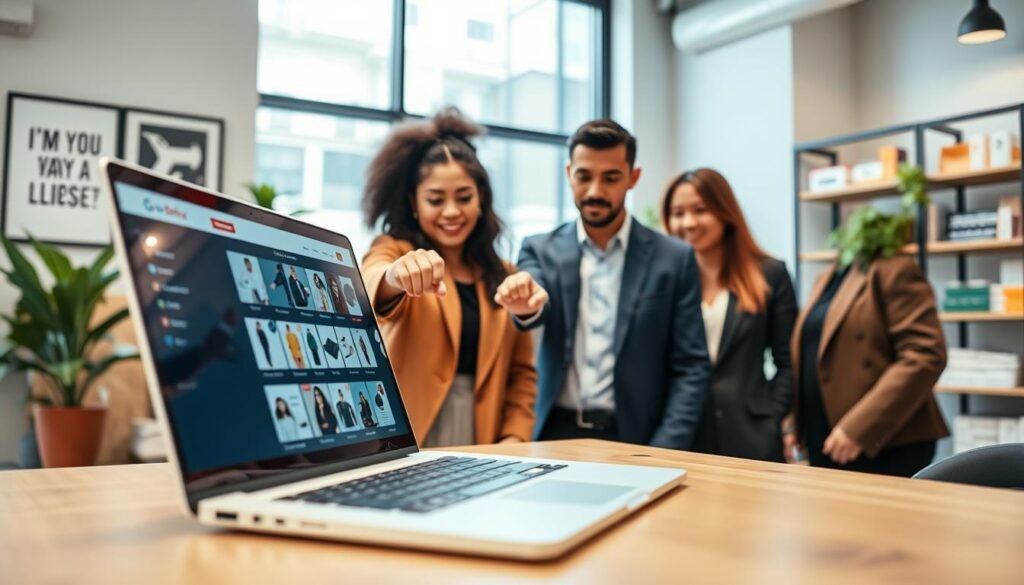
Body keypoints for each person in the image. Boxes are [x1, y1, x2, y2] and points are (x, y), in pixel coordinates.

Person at [517, 118, 710, 449]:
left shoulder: (674, 259)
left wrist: (664, 449)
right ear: (569, 174)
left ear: (633, 178)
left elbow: (692, 367)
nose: (595, 191)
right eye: (584, 177)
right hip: (554, 434)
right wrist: (525, 304)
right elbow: (533, 300)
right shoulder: (538, 248)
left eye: (610, 178)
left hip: (639, 440)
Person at [361, 108, 545, 447]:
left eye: (464, 197)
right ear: (414, 203)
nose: (451, 211)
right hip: (410, 433)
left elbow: (521, 374)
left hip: (485, 437)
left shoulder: (504, 274)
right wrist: (396, 275)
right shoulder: (394, 250)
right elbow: (371, 280)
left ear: (481, 198)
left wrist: (514, 437)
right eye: (435, 199)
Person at [662, 168, 796, 462]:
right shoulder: (664, 281)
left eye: (700, 210)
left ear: (725, 212)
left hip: (752, 438)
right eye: (678, 213)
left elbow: (788, 362)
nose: (688, 223)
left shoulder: (770, 274)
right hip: (682, 438)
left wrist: (772, 417)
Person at [785, 253, 949, 477]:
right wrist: (795, 423)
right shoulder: (828, 275)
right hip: (825, 442)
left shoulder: (895, 269)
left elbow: (925, 355)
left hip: (882, 445)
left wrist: (858, 429)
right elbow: (811, 352)